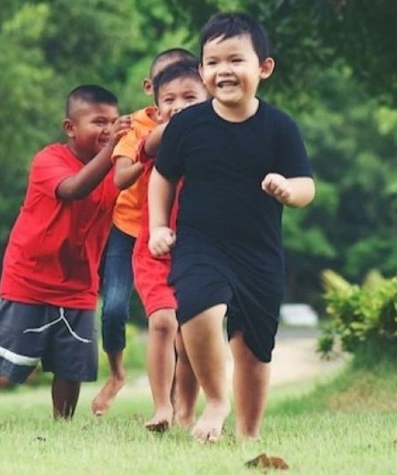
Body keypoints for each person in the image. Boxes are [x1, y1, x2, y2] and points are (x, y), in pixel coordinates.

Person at [147, 12, 316, 442]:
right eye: (212, 61)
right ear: (203, 72)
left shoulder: (279, 127)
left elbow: (306, 186)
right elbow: (161, 177)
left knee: (254, 350)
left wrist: (287, 189)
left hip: (259, 252)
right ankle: (217, 401)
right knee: (199, 308)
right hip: (200, 243)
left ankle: (249, 433)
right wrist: (157, 227)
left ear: (263, 67)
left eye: (235, 60)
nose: (223, 70)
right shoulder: (187, 125)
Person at [0, 85, 131, 420]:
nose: (108, 130)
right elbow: (75, 189)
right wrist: (112, 149)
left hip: (80, 279)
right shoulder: (49, 160)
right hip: (31, 274)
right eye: (98, 122)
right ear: (70, 128)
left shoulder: (116, 171)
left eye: (113, 122)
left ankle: (61, 422)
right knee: (14, 346)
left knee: (73, 359)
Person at [92, 47, 197, 416]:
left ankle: (176, 400)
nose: (178, 100)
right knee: (117, 308)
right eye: (168, 91)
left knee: (181, 323)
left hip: (180, 231)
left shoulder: (203, 123)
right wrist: (148, 157)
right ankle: (120, 375)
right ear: (152, 89)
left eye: (188, 90)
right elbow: (120, 177)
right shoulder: (137, 127)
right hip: (130, 229)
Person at [129, 60, 209, 432]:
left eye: (190, 97)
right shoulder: (159, 138)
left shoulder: (215, 142)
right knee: (162, 322)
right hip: (155, 250)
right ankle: (161, 406)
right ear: (158, 108)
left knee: (190, 332)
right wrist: (177, 122)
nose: (178, 105)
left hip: (198, 251)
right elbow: (150, 143)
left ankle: (186, 409)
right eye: (170, 99)